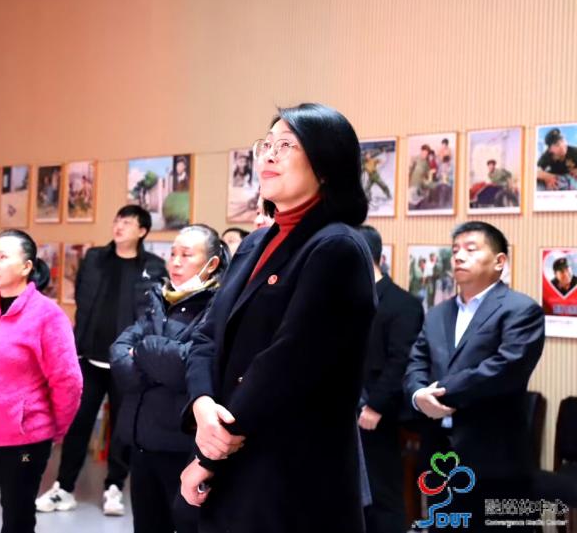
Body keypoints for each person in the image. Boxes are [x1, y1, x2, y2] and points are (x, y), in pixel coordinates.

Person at [179, 103, 375, 533]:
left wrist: (210, 454)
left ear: (325, 164)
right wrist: (202, 405)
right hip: (234, 462)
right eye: (266, 144)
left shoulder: (337, 247)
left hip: (294, 479)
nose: (268, 155)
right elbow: (207, 335)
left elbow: (287, 364)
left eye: (286, 145)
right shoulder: (254, 244)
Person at [404, 221, 545, 533]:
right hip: (439, 453)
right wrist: (416, 394)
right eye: (455, 250)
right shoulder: (438, 313)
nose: (458, 257)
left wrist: (437, 391)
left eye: (470, 249)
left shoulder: (521, 310)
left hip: (495, 458)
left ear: (499, 261)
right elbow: (416, 362)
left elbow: (504, 368)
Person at [35, 205, 167, 516]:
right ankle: (64, 487)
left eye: (127, 222)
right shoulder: (94, 259)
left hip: (128, 363)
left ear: (142, 231)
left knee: (121, 427)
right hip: (89, 357)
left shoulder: (153, 266)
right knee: (78, 423)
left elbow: (153, 314)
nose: (119, 226)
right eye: (117, 220)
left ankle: (114, 487)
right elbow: (83, 302)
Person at [0, 230, 82, 533]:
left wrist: (55, 429)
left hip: (24, 440)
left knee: (17, 524)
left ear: (26, 266)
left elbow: (68, 382)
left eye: (3, 257)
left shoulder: (48, 316)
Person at [110, 224, 228, 533]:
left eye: (186, 255)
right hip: (141, 441)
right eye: (172, 253)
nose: (175, 262)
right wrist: (153, 363)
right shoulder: (158, 297)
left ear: (211, 263)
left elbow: (187, 366)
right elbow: (119, 353)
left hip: (181, 446)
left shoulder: (217, 306)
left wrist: (144, 350)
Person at [356, 226, 424, 533]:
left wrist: (375, 407)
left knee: (381, 494)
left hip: (378, 415)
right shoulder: (342, 300)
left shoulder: (402, 303)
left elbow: (401, 361)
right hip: (340, 411)